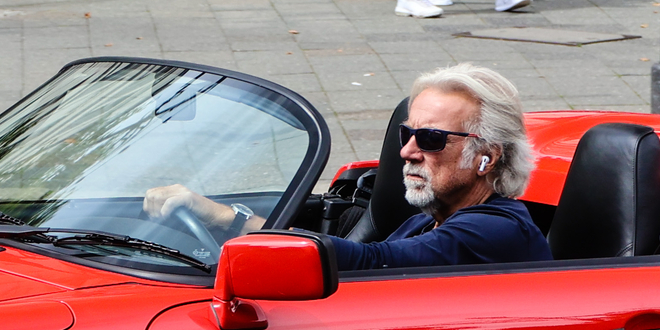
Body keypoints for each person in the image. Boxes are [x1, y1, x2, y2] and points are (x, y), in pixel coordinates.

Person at [143, 62, 550, 269]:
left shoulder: (495, 230)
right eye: (406, 134)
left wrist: (240, 232)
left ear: (486, 157)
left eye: (430, 139)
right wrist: (218, 217)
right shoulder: (430, 221)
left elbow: (372, 263)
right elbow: (364, 254)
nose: (407, 151)